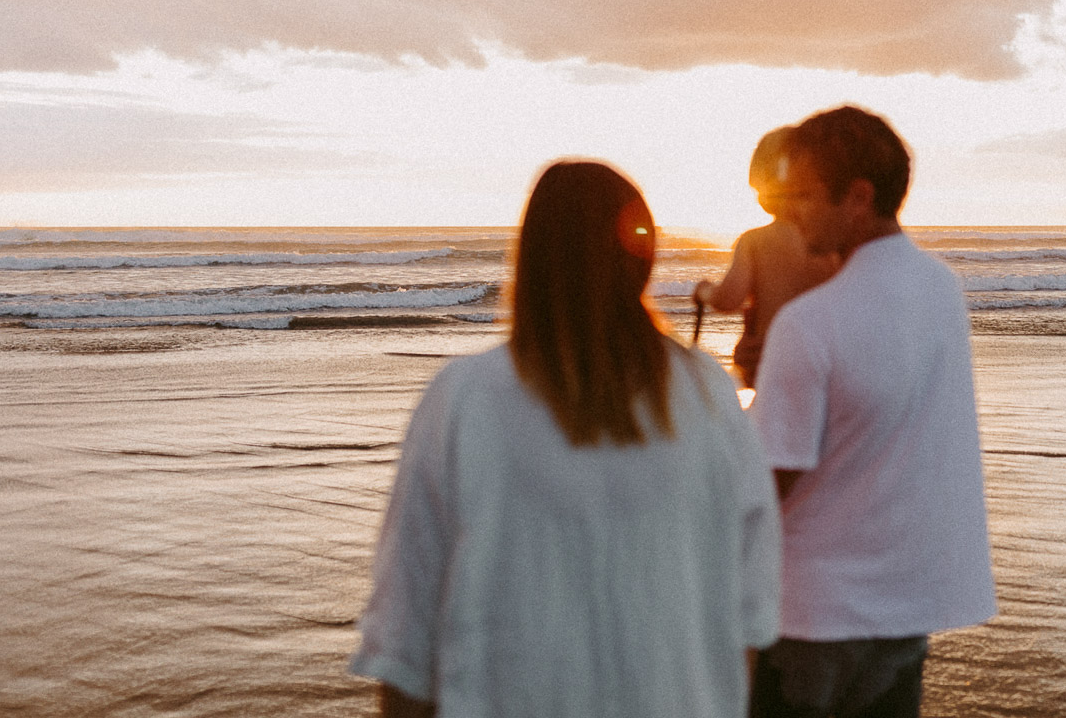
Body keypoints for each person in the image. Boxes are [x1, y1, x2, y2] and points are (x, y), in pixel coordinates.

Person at [349, 160, 782, 718]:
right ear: (643, 259)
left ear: (530, 260)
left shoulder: (464, 400)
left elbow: (405, 641)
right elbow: (751, 617)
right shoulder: (710, 397)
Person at [747, 106, 997, 718]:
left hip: (809, 617)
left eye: (803, 194)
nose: (790, 210)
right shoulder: (942, 291)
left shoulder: (809, 323)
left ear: (858, 197)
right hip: (904, 608)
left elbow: (767, 480)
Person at [693, 127, 840, 387]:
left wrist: (705, 291)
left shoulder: (755, 241)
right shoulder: (833, 243)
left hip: (771, 360)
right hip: (823, 361)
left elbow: (729, 299)